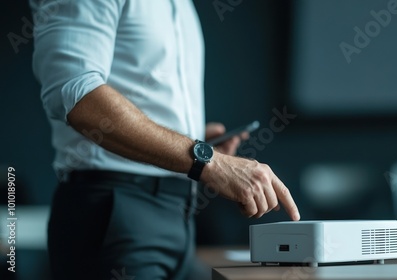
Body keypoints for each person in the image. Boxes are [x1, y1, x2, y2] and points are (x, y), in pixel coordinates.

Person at [30, 0, 300, 279]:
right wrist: (208, 160)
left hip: (178, 216)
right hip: (115, 213)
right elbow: (75, 93)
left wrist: (190, 141)